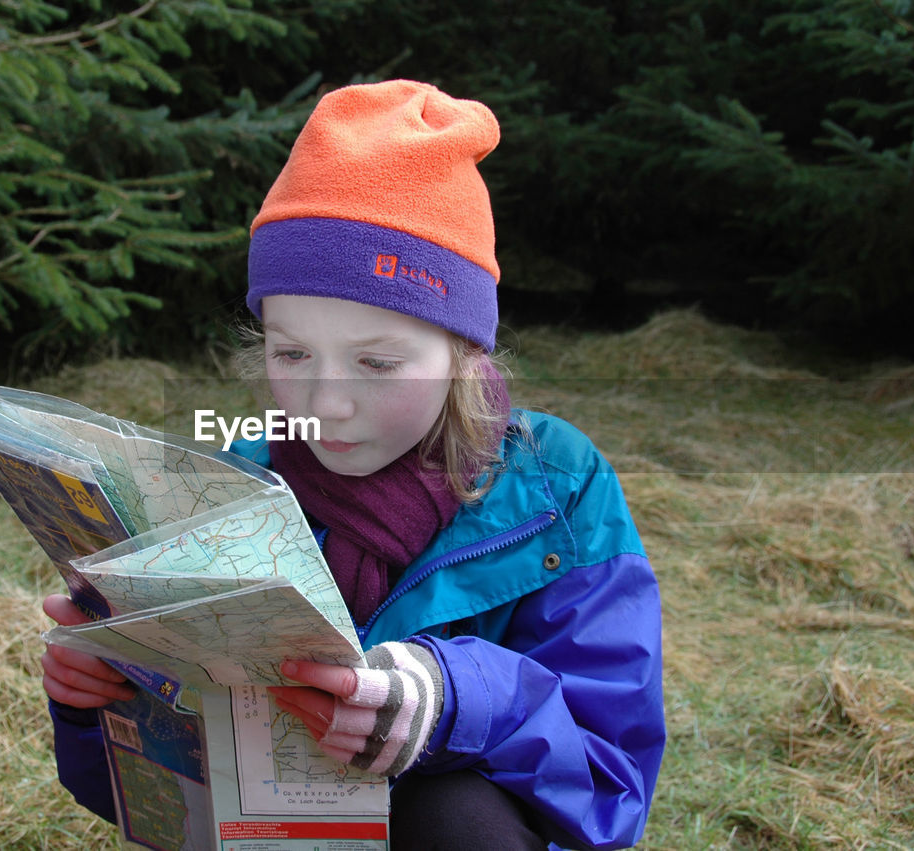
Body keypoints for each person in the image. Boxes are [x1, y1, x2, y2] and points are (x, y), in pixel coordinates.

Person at [39, 79, 665, 850]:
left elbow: (610, 772)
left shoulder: (561, 486)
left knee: (452, 812)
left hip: (459, 830)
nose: (326, 401)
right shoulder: (232, 489)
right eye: (291, 352)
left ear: (463, 353)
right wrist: (98, 698)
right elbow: (169, 803)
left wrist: (449, 703)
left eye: (376, 360)